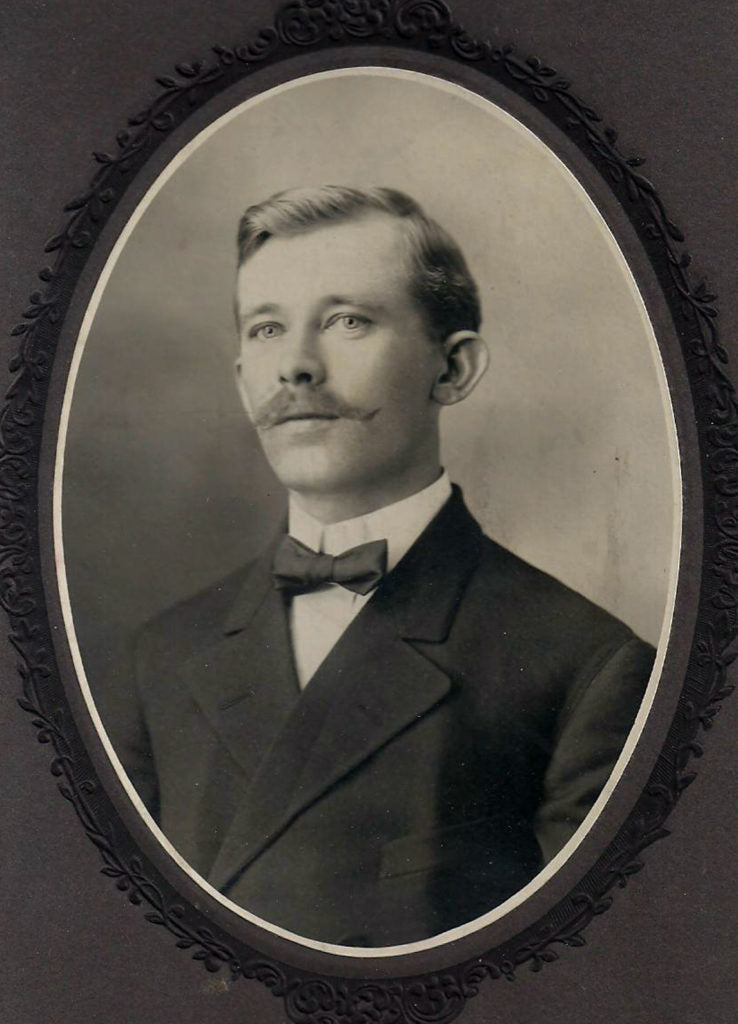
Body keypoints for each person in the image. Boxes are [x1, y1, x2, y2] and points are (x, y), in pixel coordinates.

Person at [104, 185, 654, 947]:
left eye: (347, 321)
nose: (295, 366)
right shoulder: (162, 655)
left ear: (452, 370)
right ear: (240, 381)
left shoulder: (588, 668)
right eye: (267, 329)